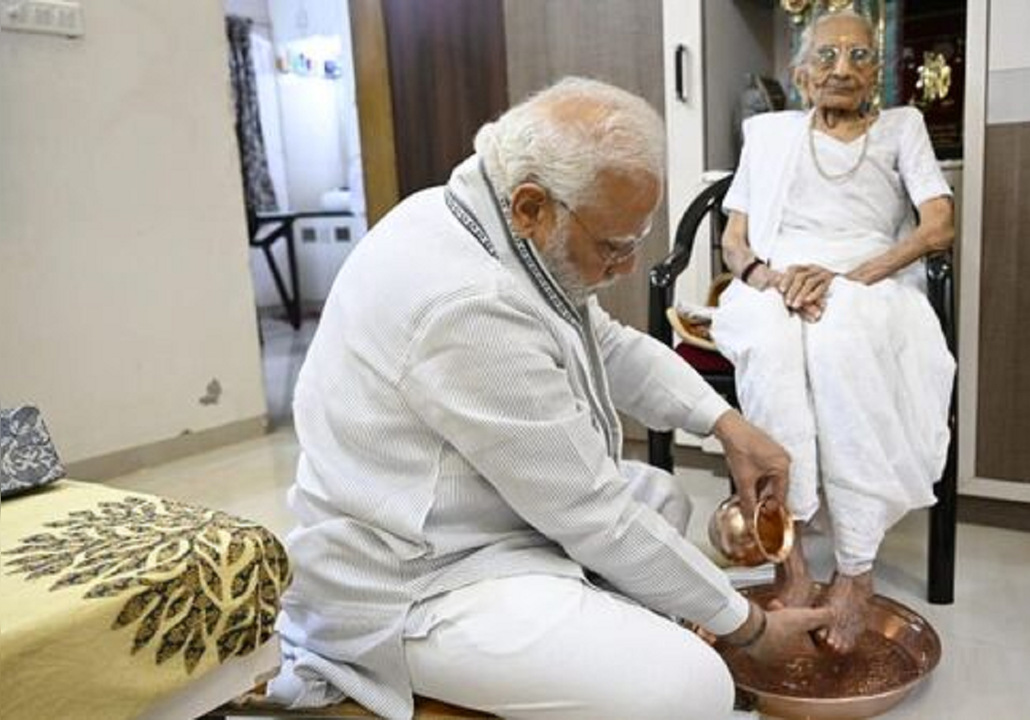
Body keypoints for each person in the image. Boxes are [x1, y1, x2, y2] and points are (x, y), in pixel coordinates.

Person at [265, 77, 832, 720]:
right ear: (533, 206)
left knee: (664, 499)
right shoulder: (468, 304)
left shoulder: (481, 218)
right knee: (696, 687)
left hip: (477, 515)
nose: (625, 268)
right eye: (615, 246)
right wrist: (752, 629)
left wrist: (729, 425)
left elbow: (608, 345)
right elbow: (596, 517)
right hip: (417, 582)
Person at [711, 10, 956, 655]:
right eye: (826, 57)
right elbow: (734, 241)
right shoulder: (767, 134)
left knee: (840, 343)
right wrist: (768, 277)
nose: (841, 68)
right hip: (776, 276)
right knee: (770, 347)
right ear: (800, 73)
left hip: (866, 278)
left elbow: (938, 227)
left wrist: (845, 277)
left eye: (858, 55)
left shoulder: (903, 127)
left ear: (877, 70)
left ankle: (855, 565)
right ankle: (787, 555)